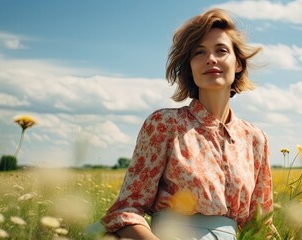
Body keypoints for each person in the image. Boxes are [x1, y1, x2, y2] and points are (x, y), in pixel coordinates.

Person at [100, 8, 276, 240]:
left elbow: (260, 227)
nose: (211, 59)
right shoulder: (164, 124)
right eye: (199, 52)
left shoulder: (255, 139)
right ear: (190, 67)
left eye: (221, 51)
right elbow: (125, 210)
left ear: (239, 64)